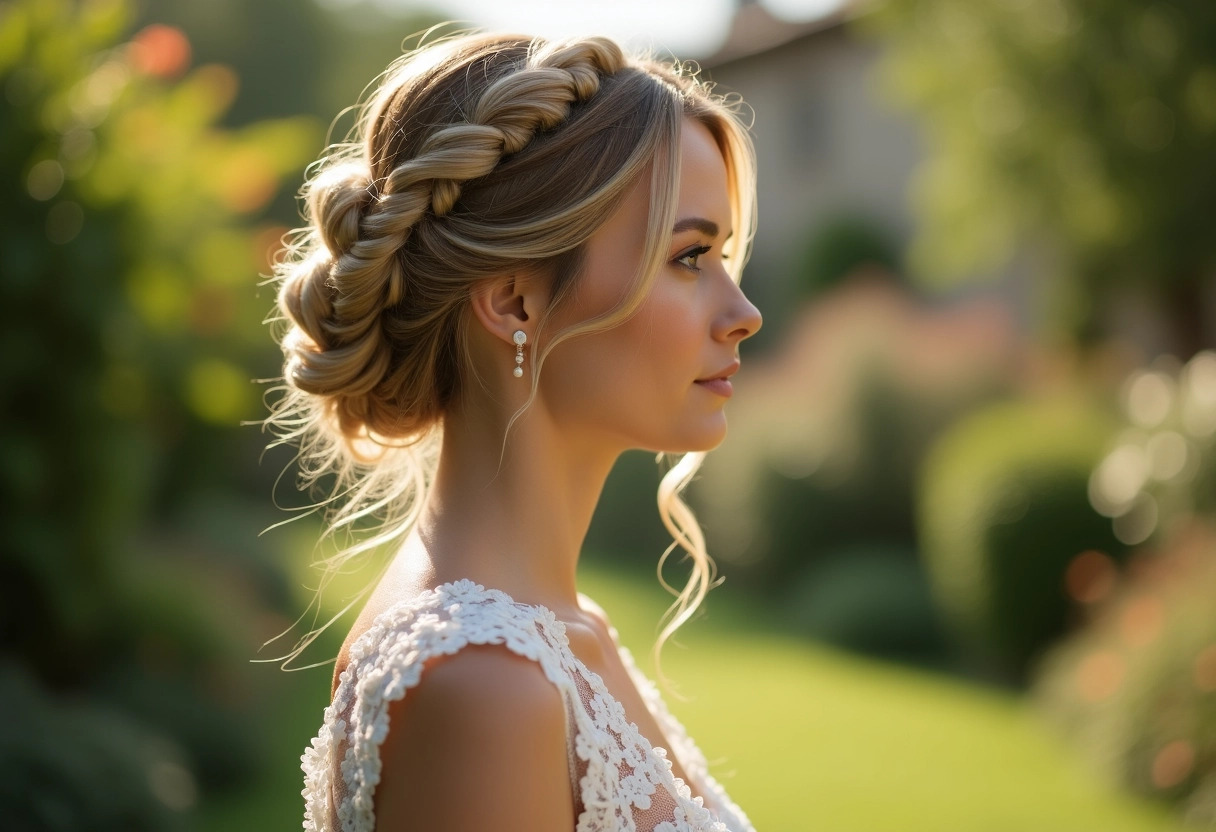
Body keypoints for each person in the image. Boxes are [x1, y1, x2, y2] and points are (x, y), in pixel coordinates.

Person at [267, 29, 763, 832]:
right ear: (514, 303)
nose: (743, 314)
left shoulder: (562, 632)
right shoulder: (482, 682)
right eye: (688, 256)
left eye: (723, 256)